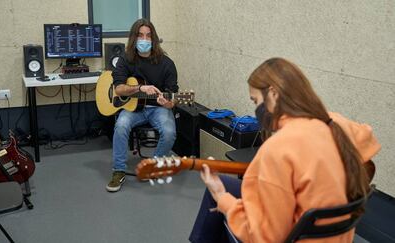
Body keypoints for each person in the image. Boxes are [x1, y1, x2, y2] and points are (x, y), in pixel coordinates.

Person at [189, 58, 380, 242]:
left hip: (289, 235)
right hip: (329, 235)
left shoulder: (278, 148)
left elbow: (263, 237)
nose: (256, 109)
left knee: (218, 195)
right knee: (223, 181)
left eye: (256, 101)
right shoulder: (335, 122)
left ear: (273, 93)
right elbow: (368, 141)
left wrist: (222, 199)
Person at [106, 18, 178, 192]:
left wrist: (167, 103)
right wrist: (140, 88)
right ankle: (118, 170)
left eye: (148, 35)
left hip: (157, 109)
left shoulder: (166, 64)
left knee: (169, 132)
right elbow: (119, 89)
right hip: (133, 108)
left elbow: (173, 97)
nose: (144, 39)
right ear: (134, 38)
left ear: (153, 39)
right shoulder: (125, 59)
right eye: (140, 35)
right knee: (121, 126)